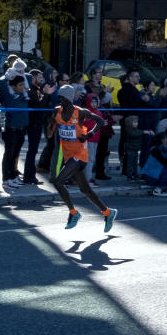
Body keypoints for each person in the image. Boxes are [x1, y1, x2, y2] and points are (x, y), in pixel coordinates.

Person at [45, 85, 118, 232]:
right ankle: (108, 212)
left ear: (69, 99)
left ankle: (74, 213)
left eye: (62, 98)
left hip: (80, 155)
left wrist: (89, 135)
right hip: (68, 155)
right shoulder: (57, 111)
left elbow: (100, 121)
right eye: (59, 98)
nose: (60, 100)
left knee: (58, 182)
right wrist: (51, 123)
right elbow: (49, 134)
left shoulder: (80, 112)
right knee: (85, 190)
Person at [1, 75, 30, 190]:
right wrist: (10, 74)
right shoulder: (8, 95)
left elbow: (27, 76)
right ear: (13, 86)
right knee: (9, 154)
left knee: (15, 155)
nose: (23, 87)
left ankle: (13, 177)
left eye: (24, 84)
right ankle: (6, 179)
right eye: (20, 85)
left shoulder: (24, 95)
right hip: (11, 129)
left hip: (21, 129)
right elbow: (2, 82)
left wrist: (21, 73)